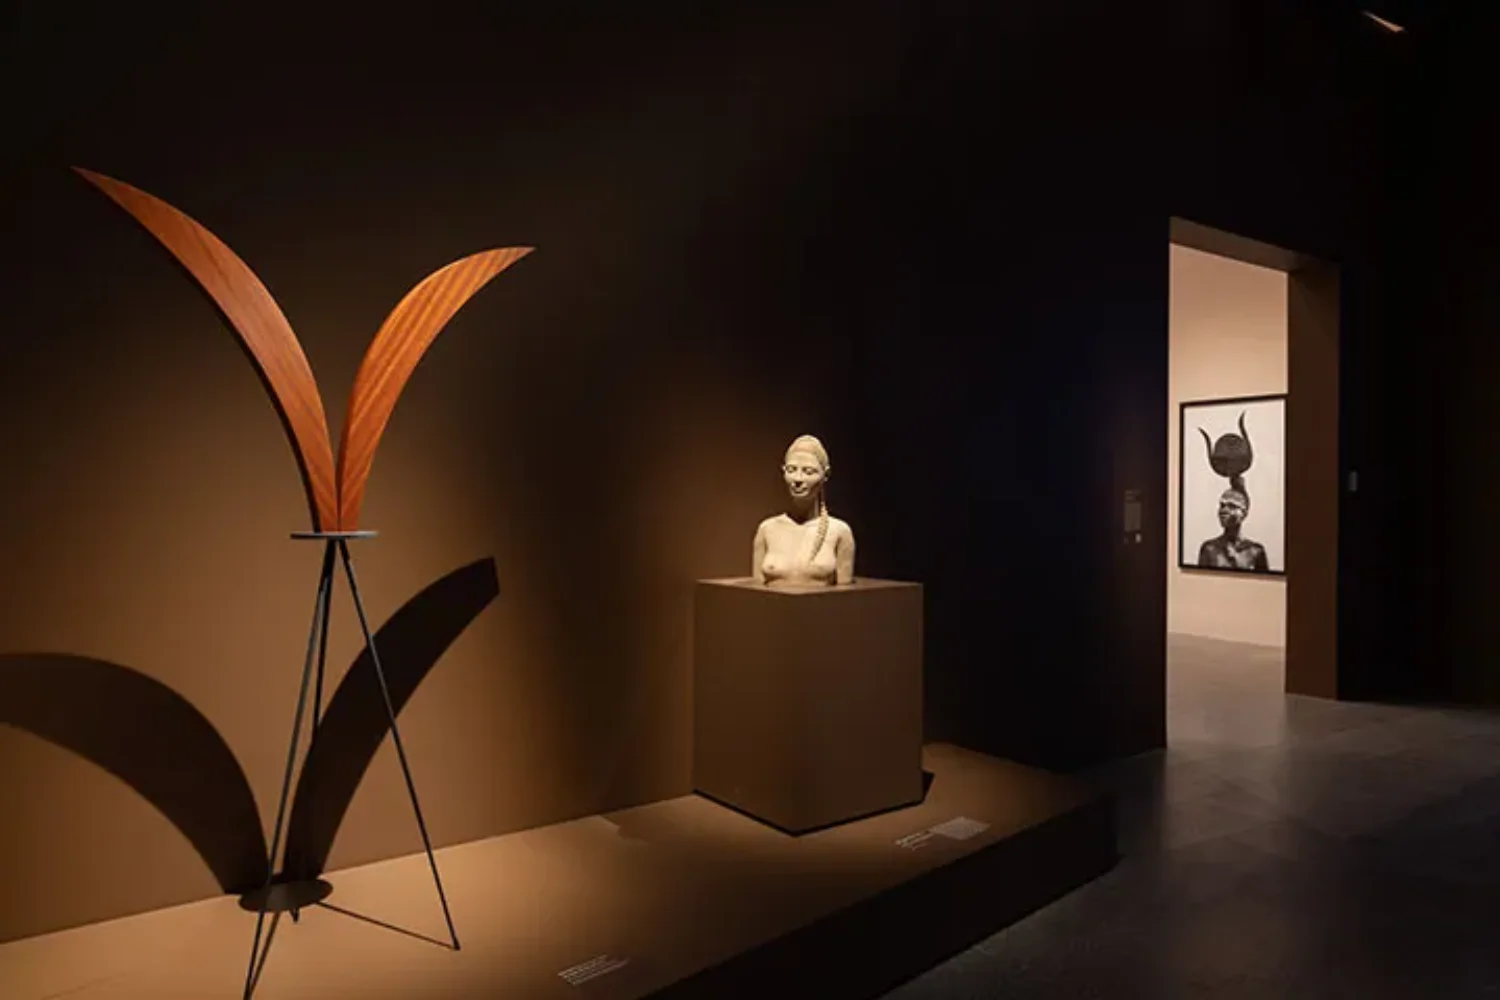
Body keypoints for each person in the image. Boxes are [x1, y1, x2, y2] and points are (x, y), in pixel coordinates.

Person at [752, 435, 856, 586]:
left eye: (809, 472)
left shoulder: (839, 532)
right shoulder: (767, 529)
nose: (798, 479)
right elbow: (756, 592)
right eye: (791, 470)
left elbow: (845, 596)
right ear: (783, 472)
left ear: (825, 475)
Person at [1197, 485, 1269, 571]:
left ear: (1244, 514)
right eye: (1222, 505)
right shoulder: (1209, 549)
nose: (1224, 510)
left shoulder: (1256, 551)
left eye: (1232, 506)